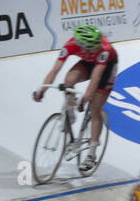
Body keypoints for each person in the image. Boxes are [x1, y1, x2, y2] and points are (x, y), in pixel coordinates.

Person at [33, 24, 117, 173]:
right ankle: (69, 112)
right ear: (83, 47)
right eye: (93, 46)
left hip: (106, 67)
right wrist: (42, 90)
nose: (98, 47)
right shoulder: (70, 46)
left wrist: (86, 98)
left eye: (98, 44)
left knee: (94, 107)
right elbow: (54, 71)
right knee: (68, 82)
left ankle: (91, 154)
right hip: (88, 63)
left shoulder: (104, 49)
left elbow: (96, 78)